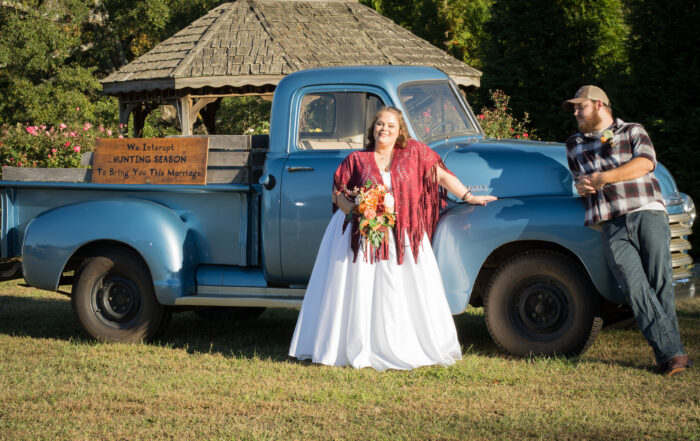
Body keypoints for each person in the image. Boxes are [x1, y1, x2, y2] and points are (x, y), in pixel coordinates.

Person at [288, 106, 496, 370]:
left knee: (397, 288)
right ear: (372, 128)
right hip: (358, 234)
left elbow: (441, 176)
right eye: (379, 124)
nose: (383, 129)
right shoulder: (356, 159)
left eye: (390, 125)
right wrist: (356, 210)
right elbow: (338, 194)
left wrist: (470, 197)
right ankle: (352, 345)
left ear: (400, 132)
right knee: (357, 289)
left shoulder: (415, 153)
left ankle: (399, 344)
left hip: (401, 235)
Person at [563, 85, 692, 376]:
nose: (574, 112)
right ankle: (675, 354)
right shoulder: (573, 144)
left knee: (660, 286)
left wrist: (603, 178)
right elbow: (581, 183)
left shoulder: (632, 131)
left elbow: (645, 163)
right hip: (611, 222)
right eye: (573, 108)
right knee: (635, 289)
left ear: (598, 105)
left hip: (647, 212)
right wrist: (583, 187)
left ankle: (670, 357)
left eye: (579, 106)